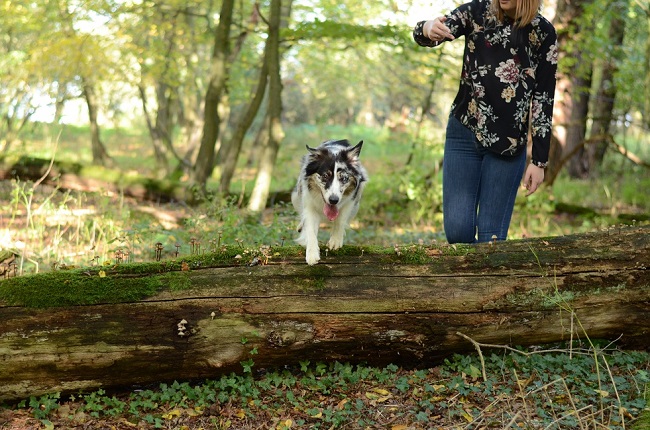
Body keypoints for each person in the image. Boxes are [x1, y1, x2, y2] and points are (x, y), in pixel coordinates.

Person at [413, 0, 558, 243]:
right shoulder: (477, 11)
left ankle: (485, 282)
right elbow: (431, 32)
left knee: (491, 239)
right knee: (458, 233)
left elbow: (543, 99)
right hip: (464, 131)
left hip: (508, 144)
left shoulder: (544, 33)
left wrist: (539, 161)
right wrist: (427, 28)